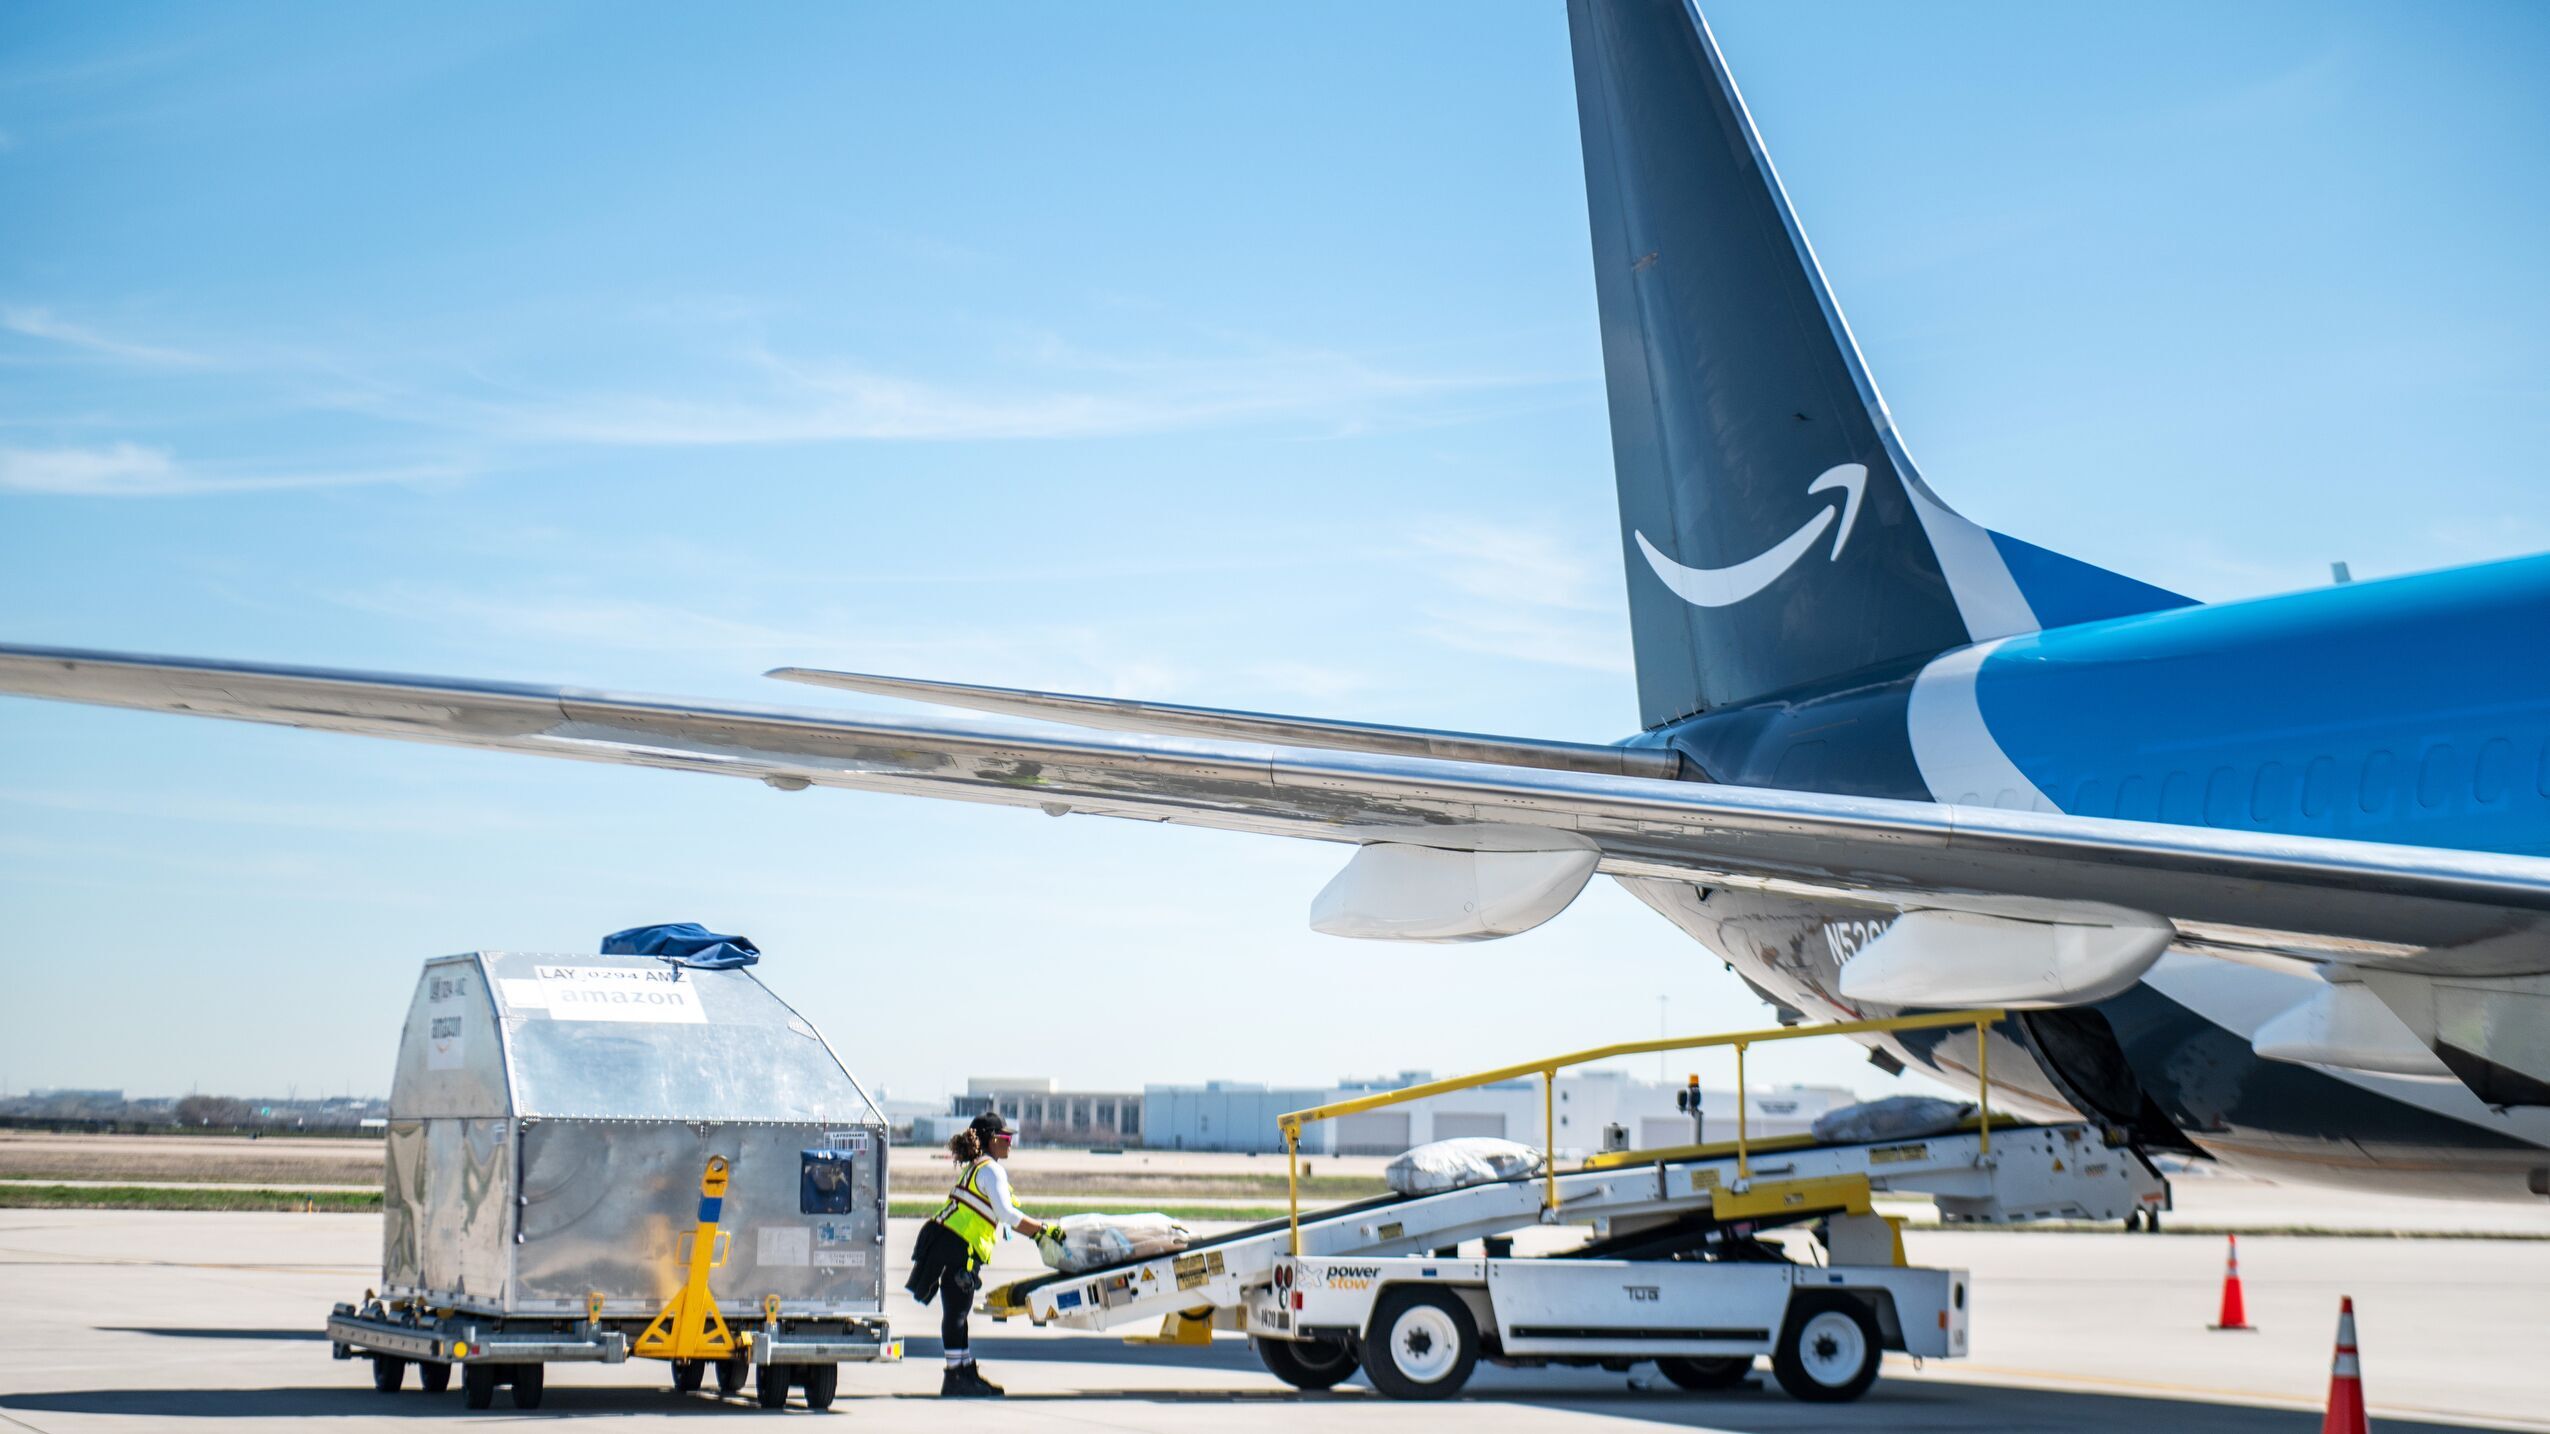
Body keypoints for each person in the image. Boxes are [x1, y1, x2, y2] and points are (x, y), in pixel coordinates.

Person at [906, 1111, 1058, 1398]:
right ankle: (955, 1376)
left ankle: (962, 1370)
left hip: (949, 1242)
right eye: (1005, 1136)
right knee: (957, 1311)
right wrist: (1042, 1230)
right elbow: (1008, 1214)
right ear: (991, 1140)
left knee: (957, 1310)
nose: (1010, 1141)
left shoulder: (979, 1167)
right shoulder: (990, 1169)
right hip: (956, 1246)